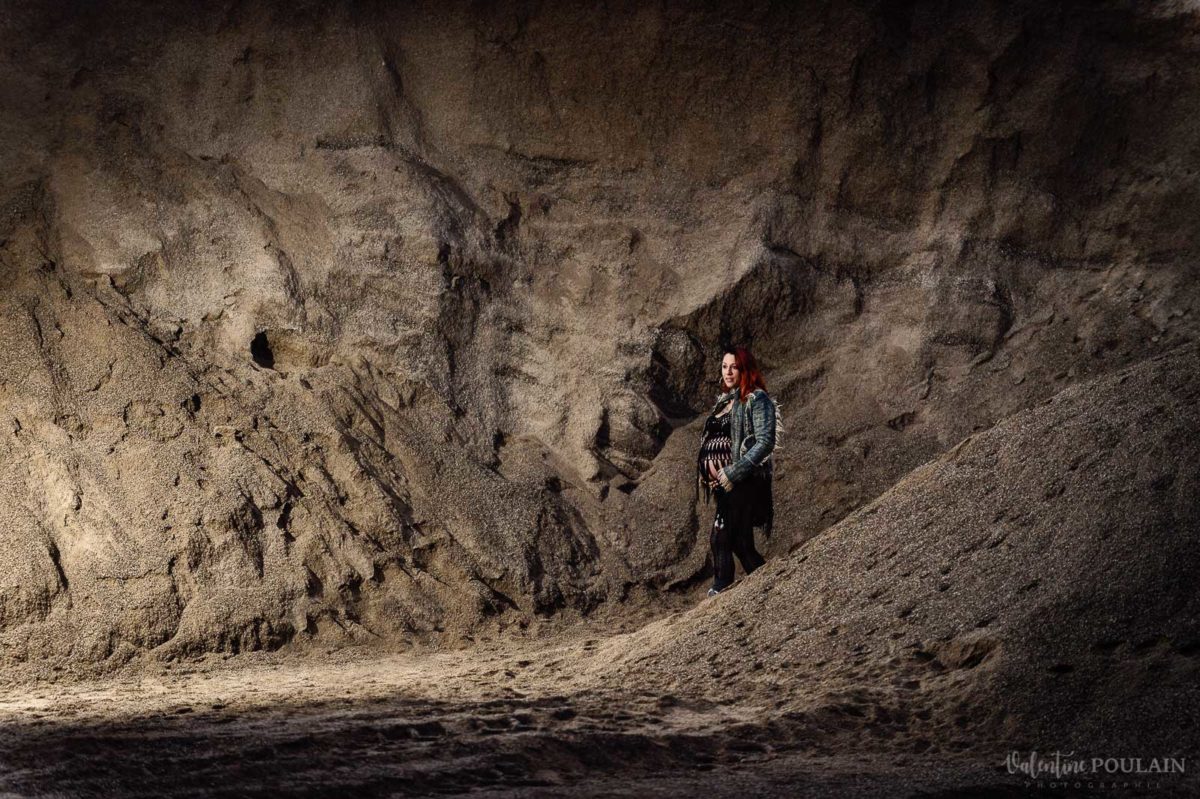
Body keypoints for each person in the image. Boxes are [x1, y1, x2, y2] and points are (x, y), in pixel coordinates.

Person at [696, 346, 777, 597]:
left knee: (720, 537)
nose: (728, 371)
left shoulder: (757, 399)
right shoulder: (724, 401)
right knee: (741, 543)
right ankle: (773, 586)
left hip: (745, 481)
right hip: (724, 483)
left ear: (745, 369)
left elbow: (765, 441)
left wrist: (734, 471)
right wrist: (707, 473)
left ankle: (720, 592)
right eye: (724, 366)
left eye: (734, 366)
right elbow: (712, 439)